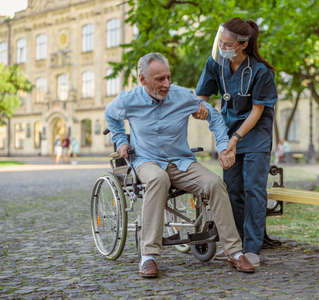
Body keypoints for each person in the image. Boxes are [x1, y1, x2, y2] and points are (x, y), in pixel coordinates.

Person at [105, 52, 255, 278]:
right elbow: (111, 115)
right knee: (158, 178)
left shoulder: (183, 96)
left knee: (214, 183)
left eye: (168, 77)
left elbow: (214, 117)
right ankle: (149, 256)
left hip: (181, 161)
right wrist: (120, 140)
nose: (166, 84)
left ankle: (234, 252)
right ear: (142, 79)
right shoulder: (129, 100)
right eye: (159, 79)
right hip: (147, 161)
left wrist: (224, 147)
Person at [196, 18, 278, 267]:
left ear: (242, 45)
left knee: (253, 189)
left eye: (228, 44)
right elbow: (202, 95)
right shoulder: (216, 64)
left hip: (255, 136)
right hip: (227, 133)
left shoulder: (261, 72)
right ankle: (236, 246)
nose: (222, 47)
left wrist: (235, 138)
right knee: (232, 190)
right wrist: (201, 108)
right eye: (221, 42)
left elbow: (256, 112)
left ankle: (252, 247)